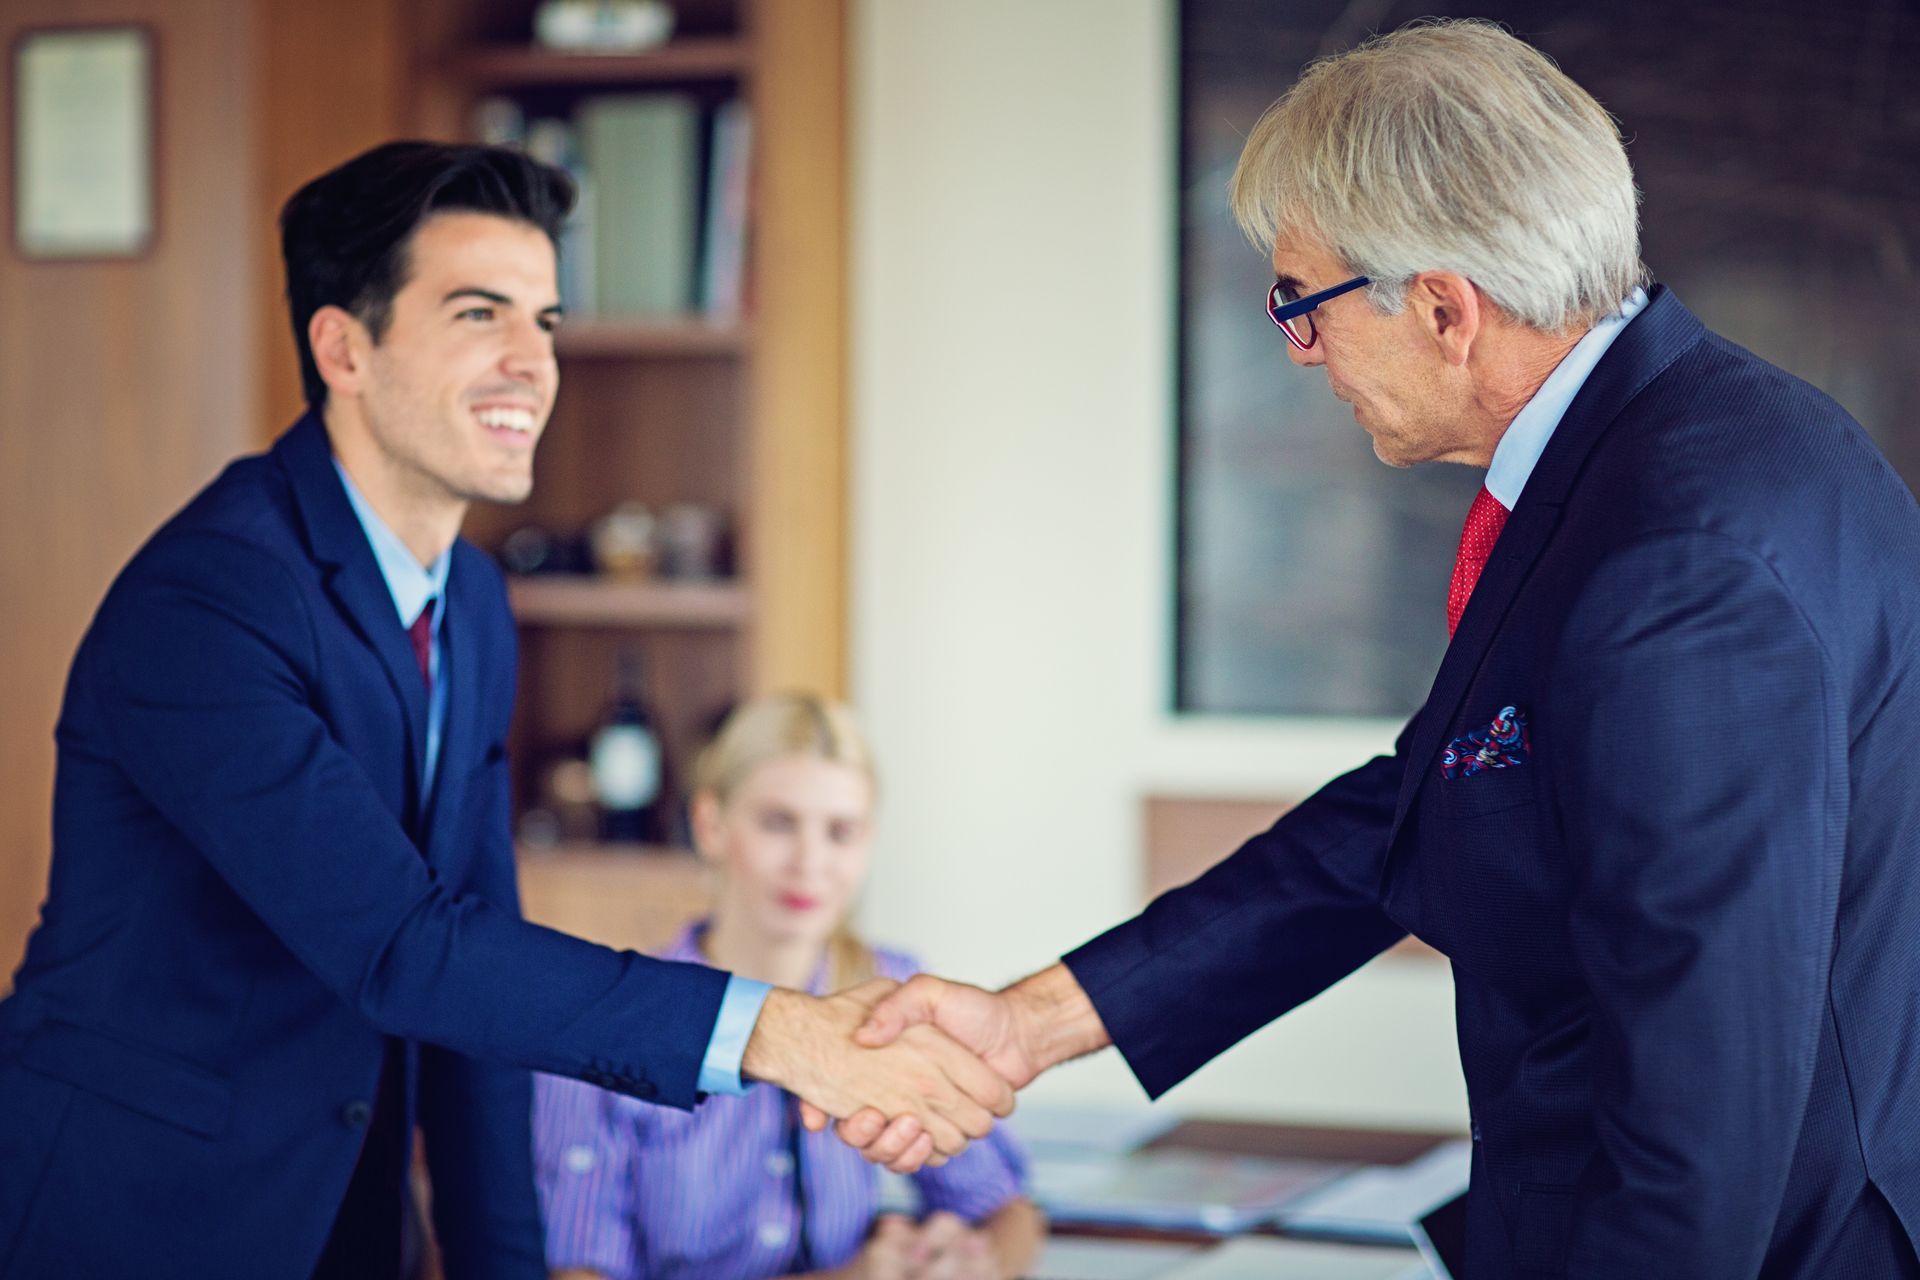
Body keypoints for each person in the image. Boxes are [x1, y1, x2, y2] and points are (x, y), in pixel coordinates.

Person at [827, 19, 1920, 1277]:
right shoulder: (1666, 445)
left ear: (1446, 307)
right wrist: (1029, 1024)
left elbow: (1703, 1113)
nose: (1302, 354)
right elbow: (1417, 806)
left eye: (1303, 304)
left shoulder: (1681, 556)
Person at [0, 142, 1009, 1280]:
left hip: (351, 1215)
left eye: (547, 320)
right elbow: (404, 943)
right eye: (480, 313)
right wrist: (778, 1030)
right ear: (345, 346)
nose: (532, 362)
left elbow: (476, 949)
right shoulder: (208, 599)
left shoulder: (470, 597)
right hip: (134, 1211)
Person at [534, 694, 1043, 1280]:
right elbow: (577, 1271)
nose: (810, 861)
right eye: (779, 823)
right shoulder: (611, 1024)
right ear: (711, 826)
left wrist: (975, 1264)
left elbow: (1006, 1206)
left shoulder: (900, 995)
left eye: (841, 832)